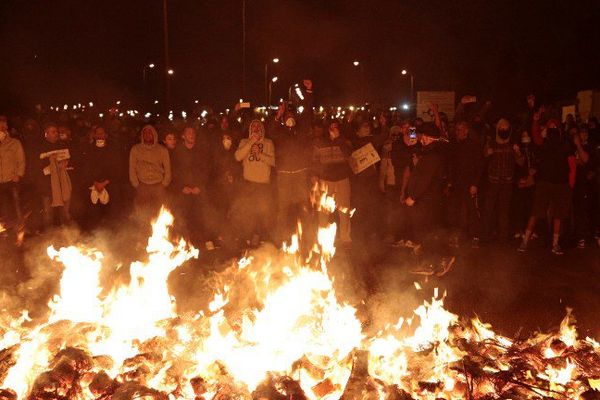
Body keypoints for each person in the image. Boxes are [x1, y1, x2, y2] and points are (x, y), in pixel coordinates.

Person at [518, 119, 588, 254]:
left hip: (561, 184)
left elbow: (572, 164)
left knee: (558, 215)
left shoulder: (566, 145)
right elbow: (536, 138)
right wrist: (536, 121)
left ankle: (555, 244)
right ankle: (525, 240)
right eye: (550, 127)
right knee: (536, 212)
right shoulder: (543, 144)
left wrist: (570, 184)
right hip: (544, 183)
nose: (552, 129)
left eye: (555, 126)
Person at [270, 105, 311, 242]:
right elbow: (270, 130)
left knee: (303, 206)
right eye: (287, 116)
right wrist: (277, 115)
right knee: (283, 207)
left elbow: (307, 118)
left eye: (291, 116)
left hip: (300, 173)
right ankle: (281, 236)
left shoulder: (300, 131)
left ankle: (306, 235)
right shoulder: (279, 131)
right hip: (284, 174)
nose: (290, 118)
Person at [232, 119, 275, 245]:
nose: (256, 128)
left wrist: (260, 154)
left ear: (262, 129)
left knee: (261, 212)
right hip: (248, 183)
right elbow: (238, 157)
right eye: (253, 126)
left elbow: (273, 161)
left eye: (258, 126)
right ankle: (246, 236)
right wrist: (251, 142)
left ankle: (258, 236)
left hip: (263, 184)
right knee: (248, 211)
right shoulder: (244, 142)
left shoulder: (268, 143)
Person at [404, 123, 445, 253]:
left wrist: (413, 196)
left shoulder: (432, 155)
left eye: (422, 136)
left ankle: (431, 261)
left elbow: (425, 179)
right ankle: (428, 259)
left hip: (426, 200)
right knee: (423, 229)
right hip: (425, 198)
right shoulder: (428, 152)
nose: (420, 139)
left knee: (425, 229)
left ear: (427, 137)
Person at [311, 120, 353, 246]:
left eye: (336, 127)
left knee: (344, 210)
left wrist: (338, 139)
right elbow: (314, 160)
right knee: (323, 210)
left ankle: (345, 238)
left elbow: (349, 154)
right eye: (331, 127)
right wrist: (314, 175)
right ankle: (323, 238)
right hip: (325, 180)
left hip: (342, 179)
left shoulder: (345, 141)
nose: (334, 129)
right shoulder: (319, 143)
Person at [171, 125, 213, 248]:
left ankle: (201, 244)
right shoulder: (177, 152)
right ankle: (184, 244)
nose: (192, 135)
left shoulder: (201, 152)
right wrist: (181, 187)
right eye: (188, 133)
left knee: (200, 217)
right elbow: (173, 172)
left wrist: (199, 186)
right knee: (183, 218)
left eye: (193, 133)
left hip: (198, 191)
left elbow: (206, 170)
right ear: (183, 136)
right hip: (183, 191)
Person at [482, 118, 523, 242]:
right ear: (497, 129)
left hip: (507, 183)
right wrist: (487, 153)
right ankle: (485, 235)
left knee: (504, 210)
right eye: (501, 128)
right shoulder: (491, 143)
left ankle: (503, 237)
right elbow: (482, 158)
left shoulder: (512, 144)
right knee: (489, 209)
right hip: (493, 182)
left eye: (506, 128)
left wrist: (518, 152)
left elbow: (520, 162)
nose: (503, 130)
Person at [447, 121, 483, 248]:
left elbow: (479, 166)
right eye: (457, 129)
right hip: (457, 184)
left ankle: (475, 236)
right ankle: (458, 236)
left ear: (466, 130)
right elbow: (452, 164)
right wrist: (450, 181)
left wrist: (475, 184)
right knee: (456, 211)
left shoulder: (474, 145)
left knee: (472, 210)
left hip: (469, 184)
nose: (458, 132)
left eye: (461, 129)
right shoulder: (455, 145)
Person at [35, 123, 73, 230]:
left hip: (62, 185)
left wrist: (66, 164)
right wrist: (53, 167)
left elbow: (71, 160)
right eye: (53, 132)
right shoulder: (40, 148)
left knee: (65, 213)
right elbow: (38, 167)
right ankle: (48, 239)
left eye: (56, 131)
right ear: (46, 134)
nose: (56, 134)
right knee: (48, 214)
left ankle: (68, 237)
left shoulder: (63, 145)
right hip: (47, 186)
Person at [129, 124, 171, 215]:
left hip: (158, 186)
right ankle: (142, 229)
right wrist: (136, 184)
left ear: (154, 135)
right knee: (142, 213)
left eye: (150, 133)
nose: (147, 135)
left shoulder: (162, 150)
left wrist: (164, 184)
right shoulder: (136, 149)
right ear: (142, 135)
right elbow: (132, 168)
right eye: (145, 133)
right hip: (142, 186)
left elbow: (167, 169)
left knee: (159, 213)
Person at [0, 120, 25, 232]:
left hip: (11, 179)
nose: (1, 130)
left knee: (16, 205)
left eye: (3, 128)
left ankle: (20, 228)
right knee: (3, 205)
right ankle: (5, 228)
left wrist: (19, 174)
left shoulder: (14, 143)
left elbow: (21, 160)